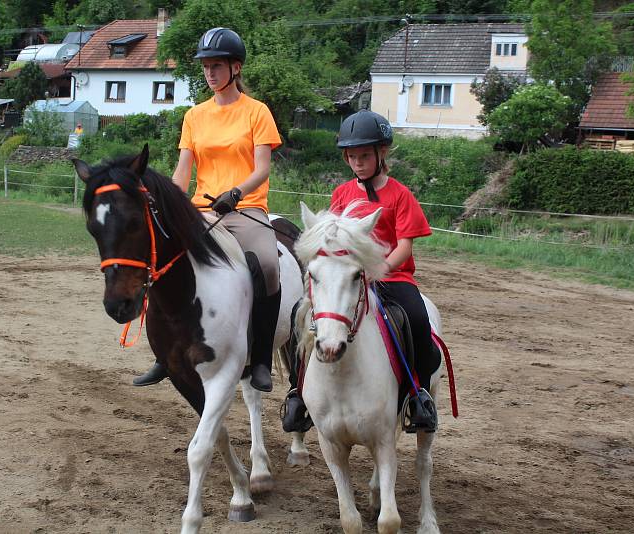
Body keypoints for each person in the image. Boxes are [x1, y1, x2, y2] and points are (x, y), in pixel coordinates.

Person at [132, 27, 283, 393]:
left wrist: (236, 191)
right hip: (202, 210)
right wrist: (165, 200)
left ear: (236, 68)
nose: (210, 73)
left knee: (267, 265)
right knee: (163, 259)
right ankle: (163, 353)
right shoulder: (194, 117)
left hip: (245, 208)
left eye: (217, 65)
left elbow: (262, 167)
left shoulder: (257, 112)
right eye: (205, 66)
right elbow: (184, 170)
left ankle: (261, 359)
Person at [281, 110, 440, 432]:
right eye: (351, 156)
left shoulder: (400, 194)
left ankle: (418, 395)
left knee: (418, 317)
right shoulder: (342, 194)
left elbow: (405, 246)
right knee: (301, 317)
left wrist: (377, 271)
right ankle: (299, 393)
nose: (358, 162)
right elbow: (332, 239)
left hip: (391, 277)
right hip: (345, 280)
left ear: (382, 153)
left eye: (365, 155)